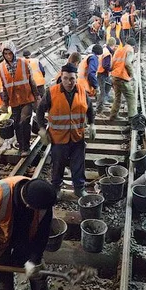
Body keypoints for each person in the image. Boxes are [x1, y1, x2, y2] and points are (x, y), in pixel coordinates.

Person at [37, 60, 95, 199]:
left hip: (77, 136)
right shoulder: (51, 92)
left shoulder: (82, 91)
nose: (69, 82)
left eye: (72, 79)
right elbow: (39, 110)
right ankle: (56, 188)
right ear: (61, 78)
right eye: (65, 78)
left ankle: (79, 188)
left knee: (78, 164)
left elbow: (90, 109)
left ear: (76, 78)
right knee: (58, 165)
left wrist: (92, 124)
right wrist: (42, 129)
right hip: (58, 138)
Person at [0, 41, 40, 156]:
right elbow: (5, 87)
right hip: (14, 101)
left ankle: (26, 147)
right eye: (5, 54)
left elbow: (32, 82)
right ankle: (21, 146)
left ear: (14, 52)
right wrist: (5, 103)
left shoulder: (24, 63)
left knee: (24, 122)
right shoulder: (1, 68)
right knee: (17, 124)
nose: (8, 56)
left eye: (10, 53)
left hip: (26, 99)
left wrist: (37, 97)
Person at [108, 38, 137, 121]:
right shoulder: (130, 49)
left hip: (115, 76)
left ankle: (113, 116)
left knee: (118, 97)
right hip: (122, 77)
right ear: (133, 46)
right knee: (131, 97)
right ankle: (132, 118)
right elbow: (127, 63)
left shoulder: (119, 50)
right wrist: (132, 74)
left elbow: (112, 64)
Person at [95, 41, 113, 115]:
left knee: (106, 88)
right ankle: (99, 111)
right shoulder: (107, 53)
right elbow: (105, 65)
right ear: (113, 45)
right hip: (102, 73)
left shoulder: (104, 49)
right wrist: (111, 69)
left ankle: (102, 104)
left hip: (100, 72)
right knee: (102, 92)